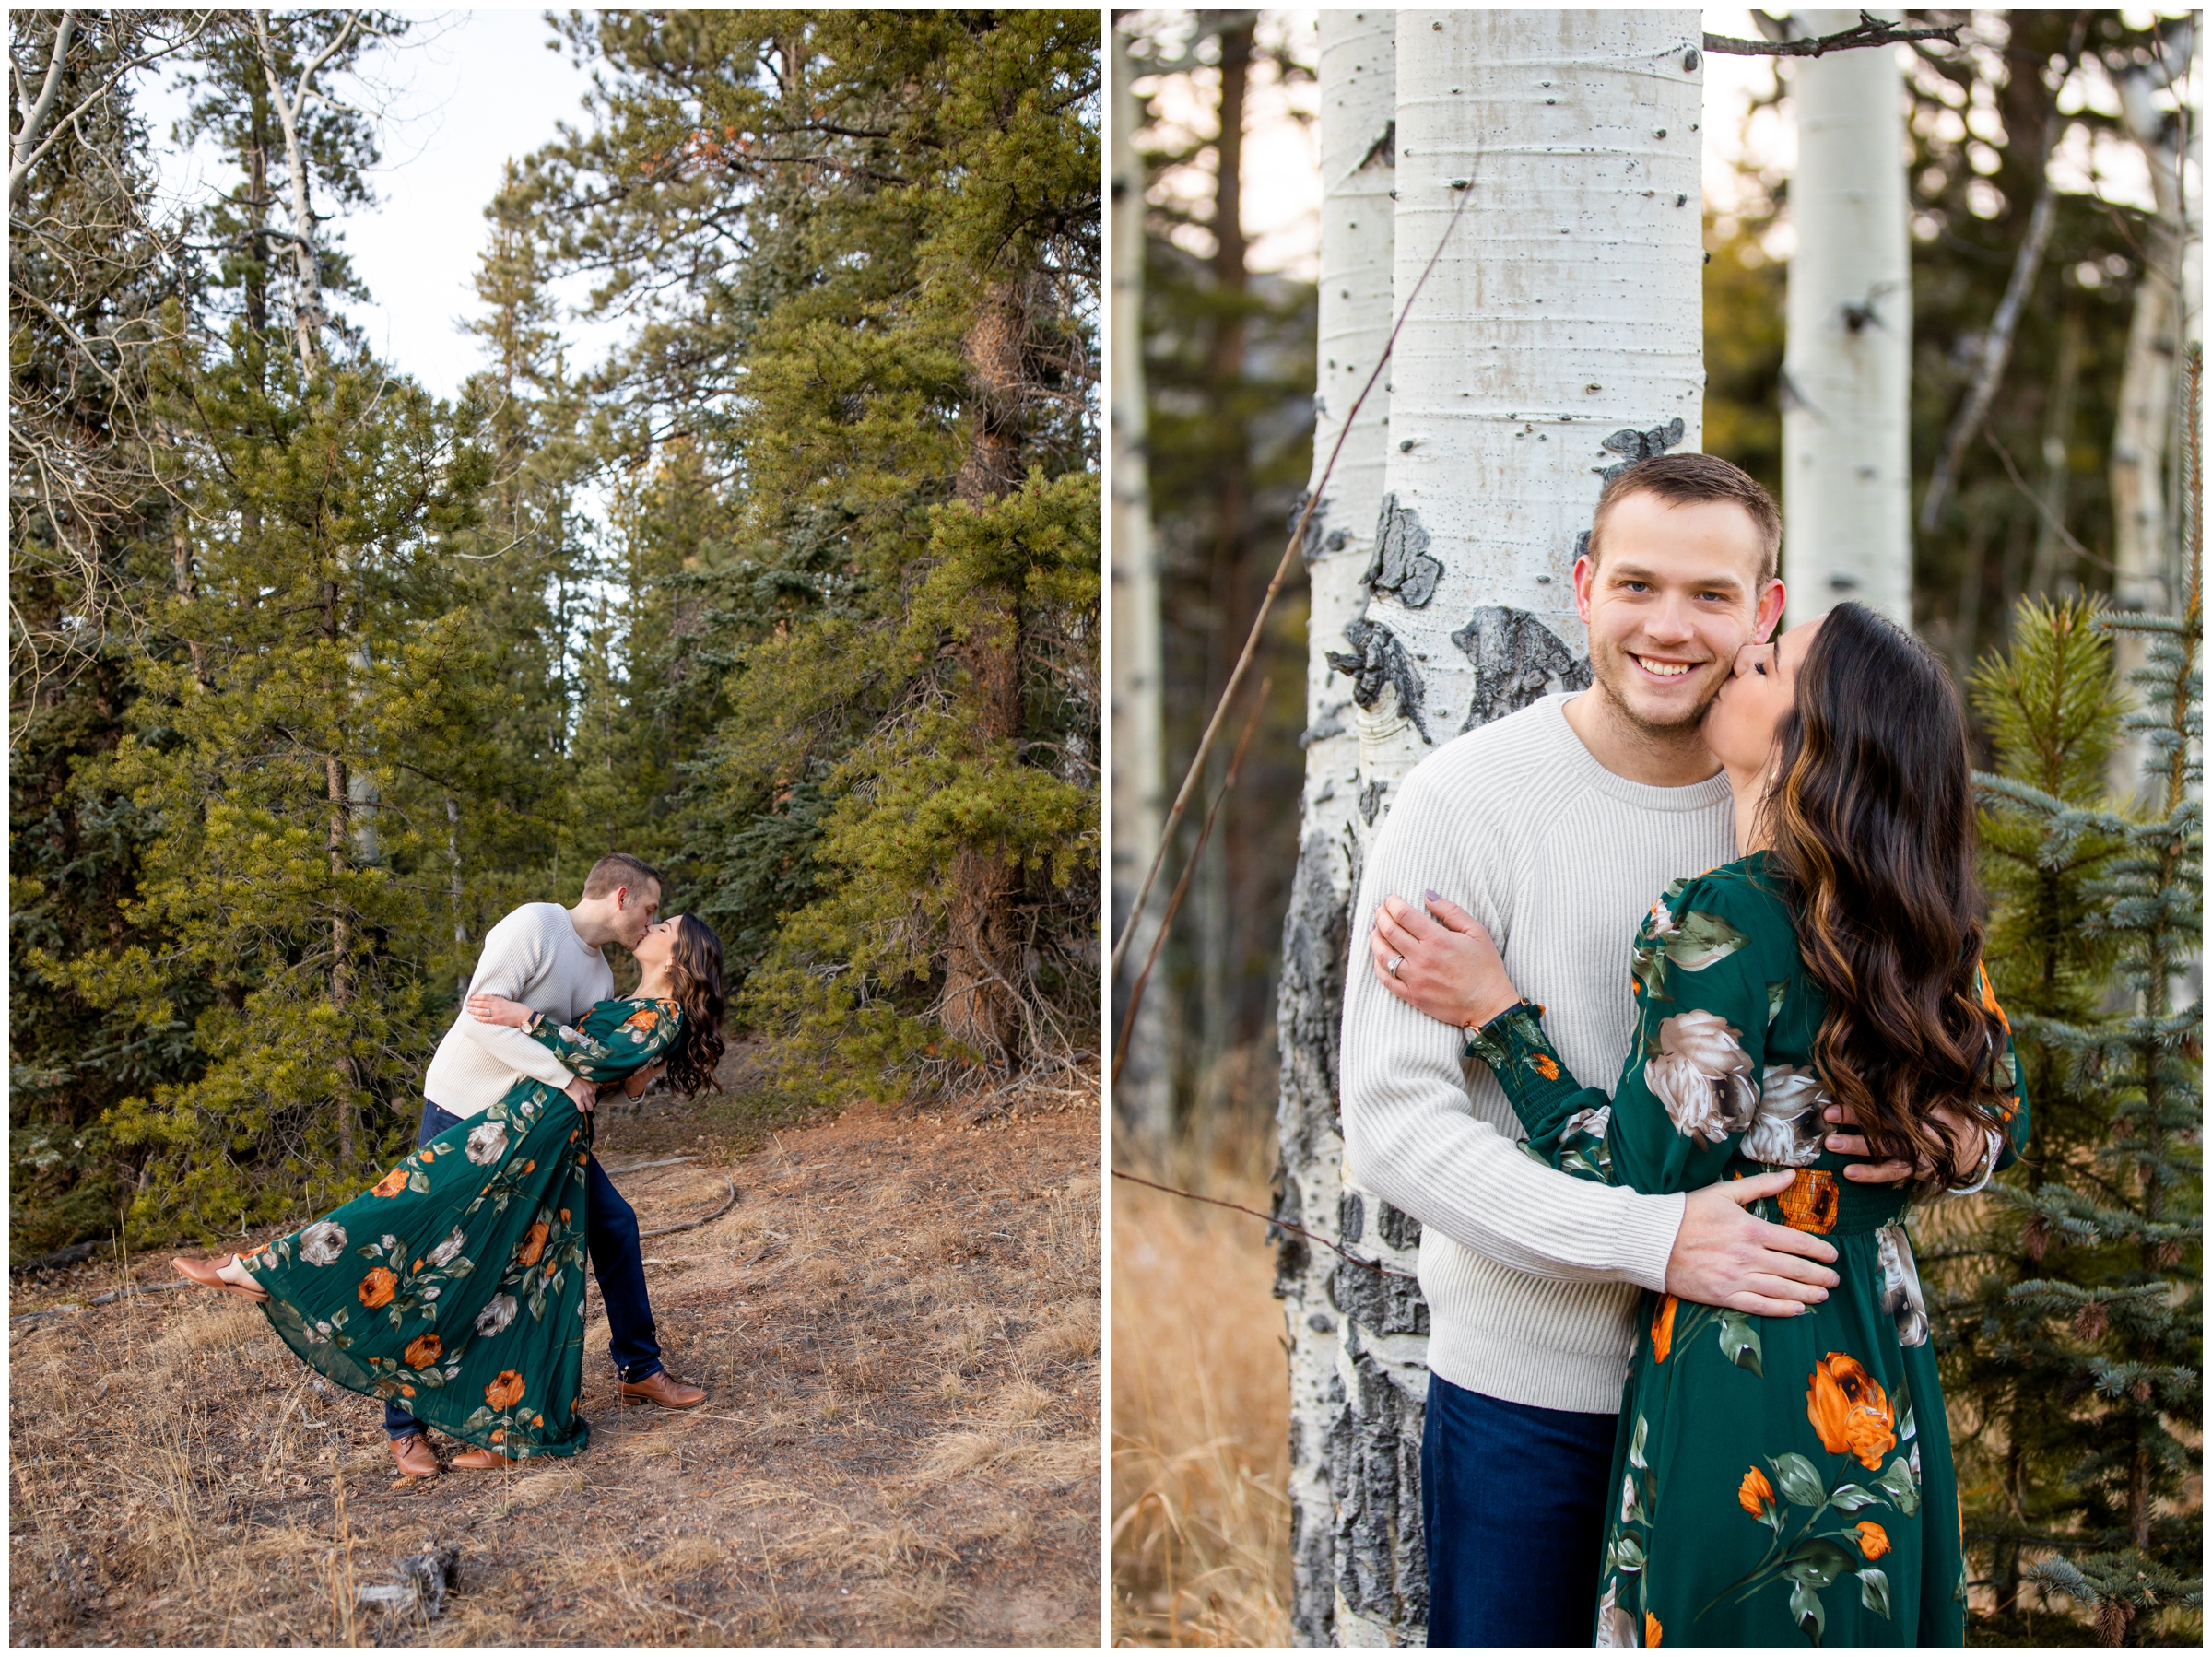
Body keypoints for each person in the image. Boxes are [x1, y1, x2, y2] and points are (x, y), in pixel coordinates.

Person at [1337, 455, 1955, 1647]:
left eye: (1713, 597)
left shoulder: (1839, 830)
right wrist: (1653, 1239)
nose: (1670, 628)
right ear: (1582, 587)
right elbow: (1398, 1131)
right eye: (1636, 584)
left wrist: (1955, 1137)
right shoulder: (1462, 802)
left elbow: (1942, 1043)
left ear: (1764, 611)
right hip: (1537, 1395)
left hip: (1781, 1387)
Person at [174, 859, 722, 1472]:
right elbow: (485, 1016)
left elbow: (600, 1063)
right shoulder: (534, 927)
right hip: (466, 1107)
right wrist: (561, 1066)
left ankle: (619, 1376)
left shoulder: (598, 977)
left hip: (532, 1131)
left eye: (661, 922)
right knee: (418, 1235)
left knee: (584, 1239)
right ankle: (404, 1426)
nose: (650, 921)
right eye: (651, 910)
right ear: (623, 896)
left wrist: (627, 1082)